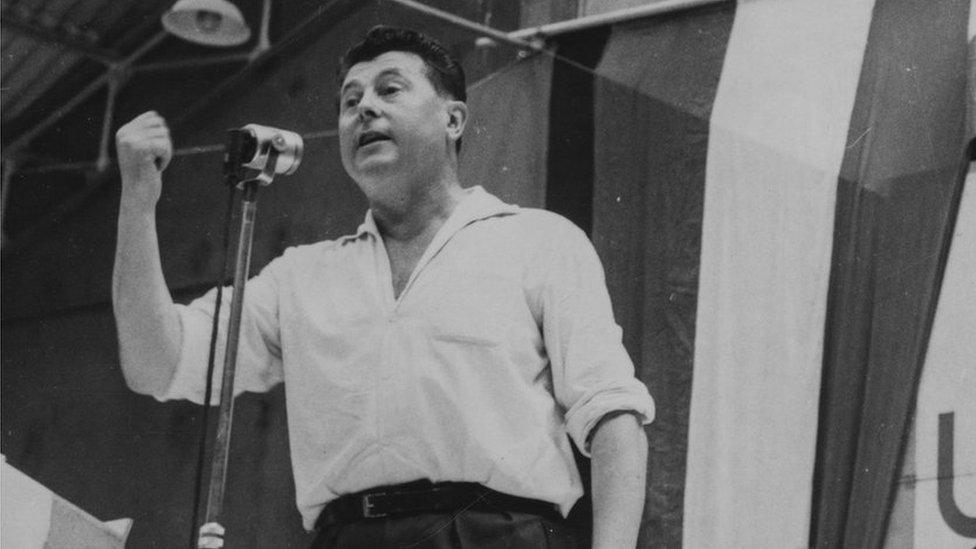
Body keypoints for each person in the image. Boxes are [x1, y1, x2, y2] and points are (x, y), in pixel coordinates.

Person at [113, 26, 653, 549]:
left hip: (502, 534)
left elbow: (613, 420)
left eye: (389, 89)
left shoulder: (539, 240)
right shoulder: (301, 277)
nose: (364, 108)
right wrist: (138, 199)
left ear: (454, 118)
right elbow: (157, 363)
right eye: (350, 100)